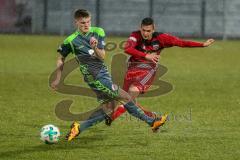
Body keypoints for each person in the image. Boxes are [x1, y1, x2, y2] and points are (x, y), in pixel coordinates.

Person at [51, 10, 168, 141]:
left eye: (88, 21)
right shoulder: (71, 40)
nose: (86, 25)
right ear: (76, 22)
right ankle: (152, 122)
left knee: (109, 108)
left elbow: (102, 56)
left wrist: (95, 47)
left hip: (103, 74)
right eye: (83, 22)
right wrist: (57, 78)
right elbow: (61, 58)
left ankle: (78, 128)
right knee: (125, 97)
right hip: (94, 77)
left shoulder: (98, 32)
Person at [108, 17, 215, 123]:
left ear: (153, 29)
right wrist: (146, 55)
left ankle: (114, 117)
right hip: (132, 69)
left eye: (148, 31)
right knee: (127, 100)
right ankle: (154, 118)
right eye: (143, 30)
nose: (145, 33)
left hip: (147, 70)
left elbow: (181, 43)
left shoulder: (162, 38)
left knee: (131, 94)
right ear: (140, 28)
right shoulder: (135, 35)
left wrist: (202, 45)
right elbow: (127, 48)